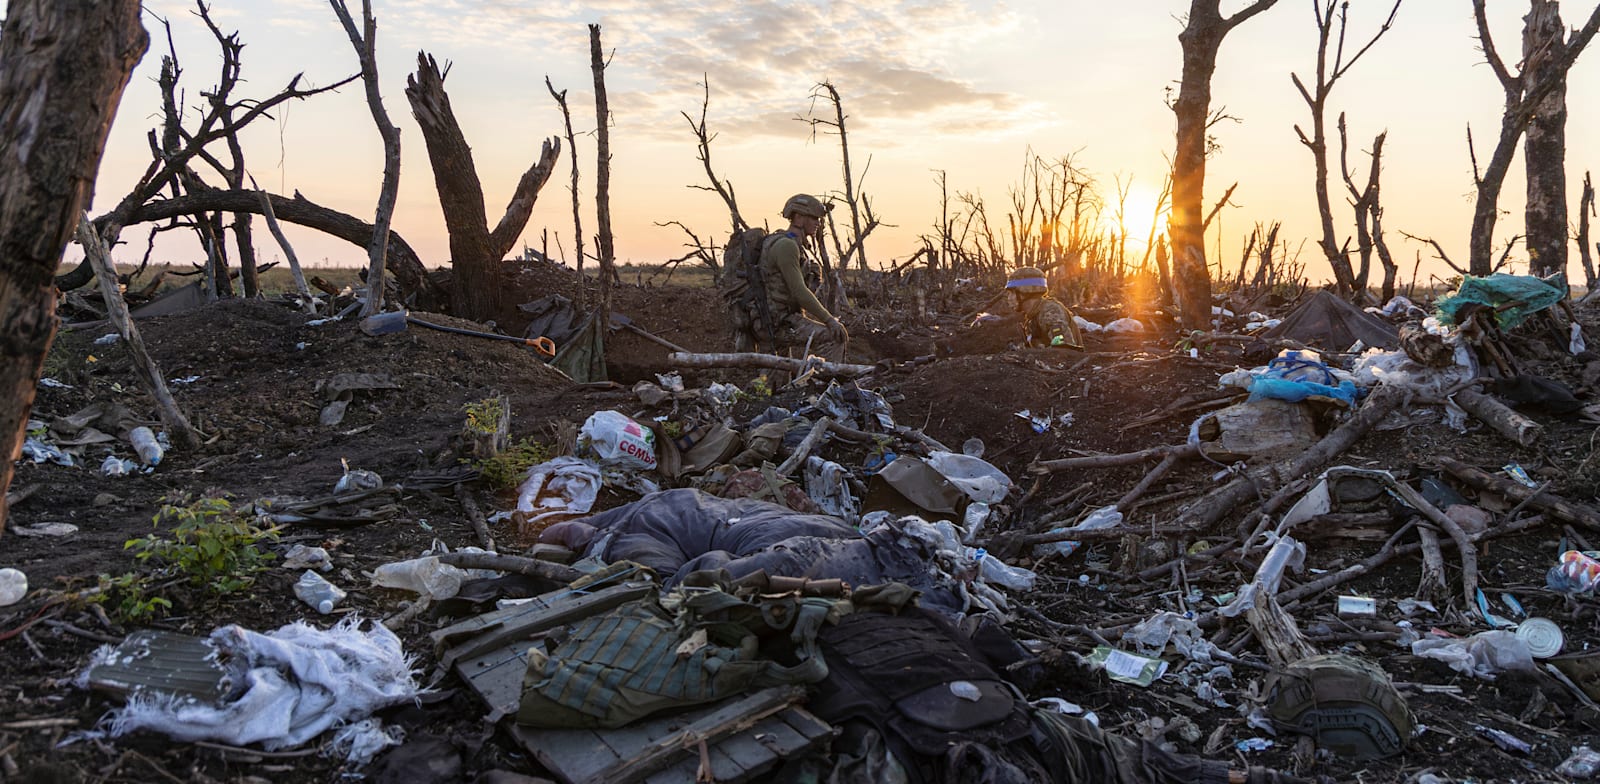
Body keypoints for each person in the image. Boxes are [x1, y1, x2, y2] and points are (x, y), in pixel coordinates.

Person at [732, 193, 849, 362]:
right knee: (834, 337)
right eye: (813, 218)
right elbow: (799, 292)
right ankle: (827, 385)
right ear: (799, 218)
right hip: (778, 322)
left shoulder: (788, 243)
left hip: (772, 321)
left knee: (776, 381)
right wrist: (829, 320)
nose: (817, 223)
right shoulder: (787, 246)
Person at [1006, 266, 1083, 349]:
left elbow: (1063, 349)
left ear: (1025, 292)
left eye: (1012, 293)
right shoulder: (1033, 316)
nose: (1009, 298)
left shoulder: (1050, 312)